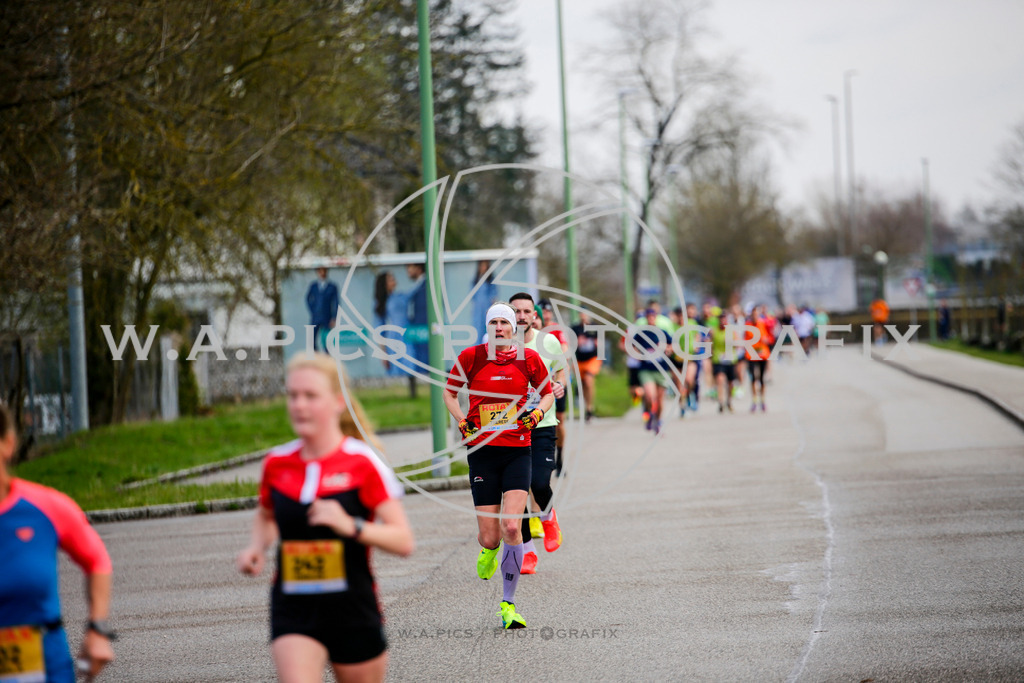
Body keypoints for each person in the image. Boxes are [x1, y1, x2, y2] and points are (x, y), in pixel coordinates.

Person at [236, 353, 414, 683]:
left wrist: (352, 526)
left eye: (310, 396)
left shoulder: (363, 463)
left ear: (336, 402)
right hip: (293, 607)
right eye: (292, 395)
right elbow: (266, 515)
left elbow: (403, 541)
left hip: (353, 608)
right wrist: (256, 547)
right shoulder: (276, 463)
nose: (299, 405)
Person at [442, 303, 553, 630]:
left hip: (518, 450)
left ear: (513, 328)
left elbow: (546, 394)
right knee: (490, 537)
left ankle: (508, 605)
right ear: (487, 326)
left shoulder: (528, 359)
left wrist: (536, 415)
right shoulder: (471, 357)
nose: (501, 327)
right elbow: (449, 394)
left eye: (506, 322)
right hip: (482, 453)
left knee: (510, 528)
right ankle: (488, 550)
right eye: (495, 322)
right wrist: (463, 422)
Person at [0, 403, 116, 682]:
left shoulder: (45, 507)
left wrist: (97, 630)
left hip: (43, 666)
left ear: (8, 444)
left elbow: (96, 559)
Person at [508, 293, 566, 575]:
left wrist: (559, 385)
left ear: (534, 315)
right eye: (515, 311)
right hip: (510, 429)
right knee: (516, 494)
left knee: (539, 483)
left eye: (526, 312)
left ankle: (548, 515)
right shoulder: (499, 346)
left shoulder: (548, 342)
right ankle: (528, 552)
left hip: (542, 423)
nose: (521, 316)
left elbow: (561, 371)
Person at [632, 308, 672, 434]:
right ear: (646, 318)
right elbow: (632, 346)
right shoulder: (641, 333)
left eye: (653, 316)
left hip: (661, 369)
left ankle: (658, 421)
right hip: (646, 369)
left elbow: (672, 346)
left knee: (660, 400)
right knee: (650, 396)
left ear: (656, 317)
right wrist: (637, 354)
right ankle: (649, 413)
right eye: (648, 316)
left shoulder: (663, 332)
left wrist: (667, 349)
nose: (651, 318)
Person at [570, 310, 602, 421]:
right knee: (583, 384)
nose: (583, 316)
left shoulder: (595, 327)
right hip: (579, 360)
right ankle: (587, 409)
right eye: (581, 313)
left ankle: (590, 408)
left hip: (592, 359)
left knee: (589, 380)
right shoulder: (575, 328)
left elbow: (601, 342)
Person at [306, 267, 340, 352]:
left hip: (327, 317)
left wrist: (334, 317)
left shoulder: (332, 286)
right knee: (312, 339)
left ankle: (326, 359)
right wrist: (313, 309)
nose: (322, 273)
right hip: (316, 317)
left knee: (327, 340)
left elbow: (336, 302)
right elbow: (308, 298)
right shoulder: (313, 286)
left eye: (324, 271)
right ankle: (316, 356)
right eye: (320, 271)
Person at [472, 260, 498, 343]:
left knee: (487, 328)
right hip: (478, 310)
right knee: (477, 330)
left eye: (485, 266)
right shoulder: (476, 280)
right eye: (481, 266)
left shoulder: (490, 281)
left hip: (487, 308)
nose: (483, 268)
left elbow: (494, 295)